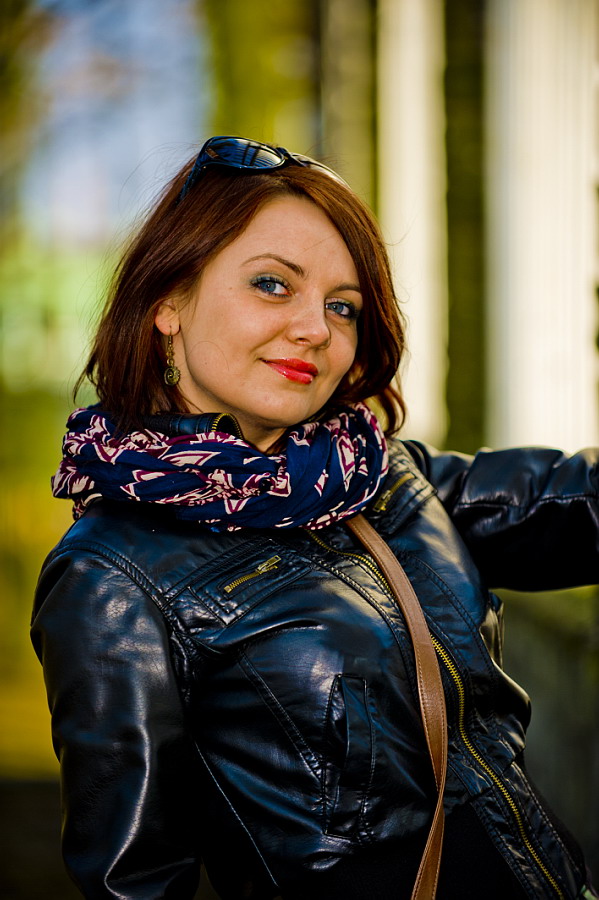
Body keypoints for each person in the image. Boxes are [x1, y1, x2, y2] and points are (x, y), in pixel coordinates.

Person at [31, 135, 597, 900]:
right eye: (272, 284)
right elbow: (133, 882)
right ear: (168, 302)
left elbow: (577, 505)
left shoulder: (383, 477)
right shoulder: (111, 574)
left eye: (342, 306)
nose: (315, 329)